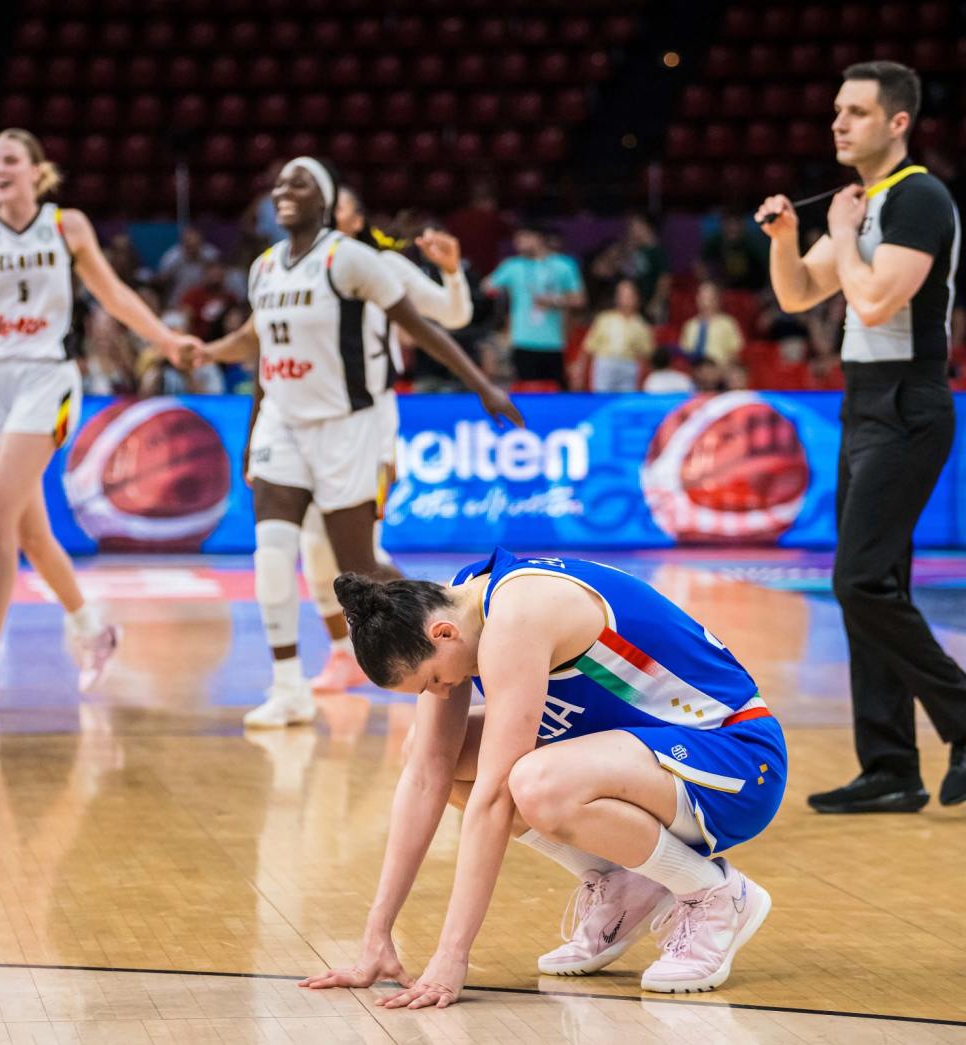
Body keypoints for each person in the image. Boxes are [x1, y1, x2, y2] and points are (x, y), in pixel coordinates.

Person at [302, 550, 785, 1005]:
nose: (440, 691)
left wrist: (451, 958)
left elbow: (493, 798)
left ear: (443, 633)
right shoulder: (464, 605)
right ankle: (623, 884)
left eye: (432, 680)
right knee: (427, 752)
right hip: (649, 758)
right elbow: (428, 774)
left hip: (736, 759)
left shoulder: (518, 618)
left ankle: (713, 892)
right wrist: (377, 933)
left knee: (535, 782)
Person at [200, 158, 520, 728]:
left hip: (361, 424)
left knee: (356, 561)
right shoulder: (268, 268)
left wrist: (480, 379)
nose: (286, 193)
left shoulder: (367, 262)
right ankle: (303, 676)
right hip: (285, 421)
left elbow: (442, 318)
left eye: (333, 198)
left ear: (339, 210)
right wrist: (245, 419)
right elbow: (261, 351)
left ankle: (446, 635)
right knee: (282, 555)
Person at [0, 129, 198, 699]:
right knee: (29, 531)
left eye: (10, 159)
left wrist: (163, 339)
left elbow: (112, 295)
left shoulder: (66, 226)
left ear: (37, 171)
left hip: (47, 377)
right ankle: (93, 627)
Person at [756, 60, 966, 812]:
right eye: (837, 110)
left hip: (909, 403)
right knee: (874, 587)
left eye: (857, 112)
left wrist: (841, 232)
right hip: (864, 404)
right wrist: (788, 236)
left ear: (898, 123)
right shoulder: (863, 202)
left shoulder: (919, 199)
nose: (839, 122)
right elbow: (799, 292)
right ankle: (890, 765)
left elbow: (874, 302)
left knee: (859, 581)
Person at [299, 186, 473, 692]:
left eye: (342, 207)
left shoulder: (382, 268)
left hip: (367, 422)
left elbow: (454, 316)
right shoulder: (292, 274)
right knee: (312, 546)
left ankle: (436, 624)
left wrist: (453, 269)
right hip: (309, 423)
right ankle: (339, 652)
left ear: (355, 221)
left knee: (362, 548)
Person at [484, 227, 585, 389]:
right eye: (516, 239)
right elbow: (487, 287)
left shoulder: (563, 265)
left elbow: (579, 300)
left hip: (554, 341)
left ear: (539, 238)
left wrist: (554, 301)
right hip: (523, 340)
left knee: (555, 391)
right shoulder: (512, 266)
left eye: (524, 237)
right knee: (527, 390)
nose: (518, 243)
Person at [579, 278, 653, 392]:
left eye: (629, 295)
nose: (626, 299)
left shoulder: (641, 325)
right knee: (601, 398)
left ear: (636, 298)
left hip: (628, 365)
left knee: (625, 402)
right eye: (622, 295)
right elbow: (588, 347)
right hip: (605, 363)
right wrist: (580, 370)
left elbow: (647, 354)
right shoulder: (604, 319)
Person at [679, 281, 745, 368]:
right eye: (702, 297)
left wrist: (722, 369)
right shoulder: (689, 325)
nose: (705, 302)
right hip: (694, 370)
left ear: (717, 300)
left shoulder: (728, 323)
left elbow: (736, 353)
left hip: (719, 370)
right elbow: (684, 352)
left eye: (709, 298)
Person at [157, 224, 220, 307]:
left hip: (204, 303)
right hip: (177, 302)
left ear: (201, 243)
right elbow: (160, 281)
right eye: (189, 245)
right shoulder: (172, 257)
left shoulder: (211, 255)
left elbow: (221, 277)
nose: (192, 249)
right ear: (183, 244)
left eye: (195, 245)